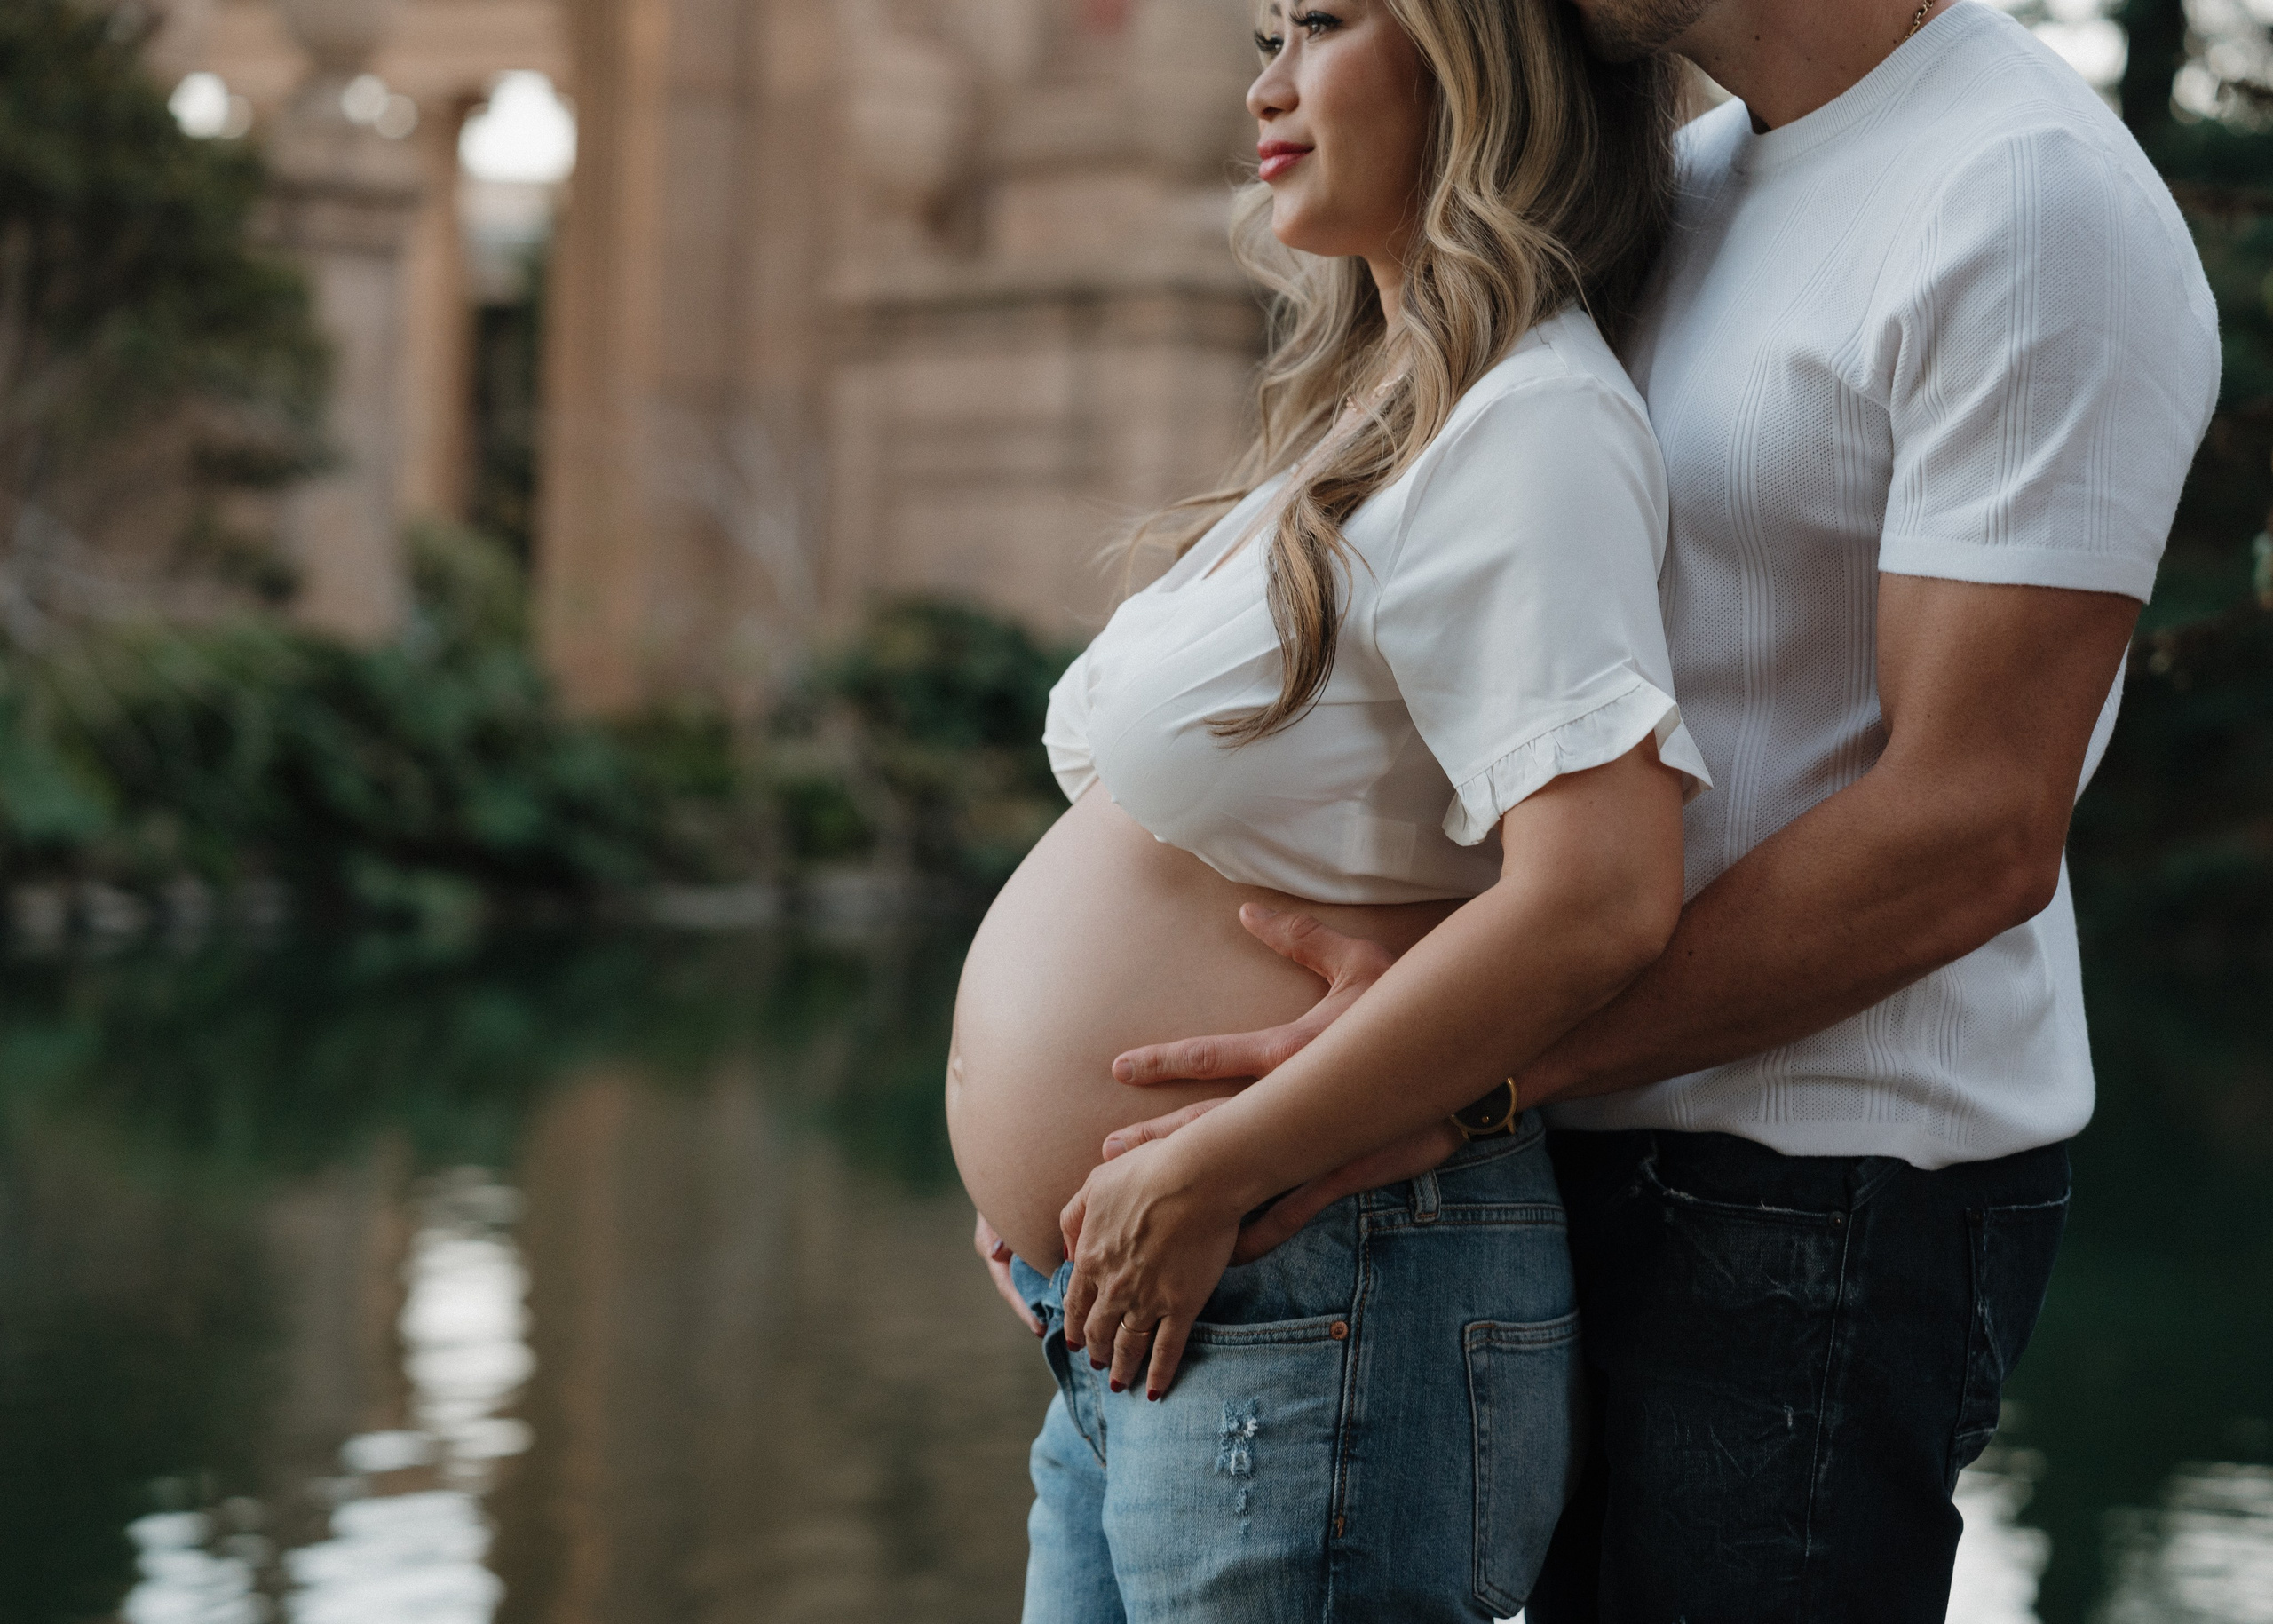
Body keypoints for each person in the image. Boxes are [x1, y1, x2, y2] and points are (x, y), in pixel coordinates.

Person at [1070, 0, 2223, 1618]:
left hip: (1813, 1194)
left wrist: (1440, 1088)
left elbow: (1971, 830)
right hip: (1539, 1153)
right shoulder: (1676, 185)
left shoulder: (2031, 198)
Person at [946, 1, 1707, 1616]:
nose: (1263, 83)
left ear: (1473, 58)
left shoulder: (1537, 424)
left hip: (1320, 1291)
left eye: (1325, 23)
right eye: (1260, 30)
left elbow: (1604, 889)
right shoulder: (1378, 421)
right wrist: (1040, 1198)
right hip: (1158, 1298)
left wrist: (1217, 1169)